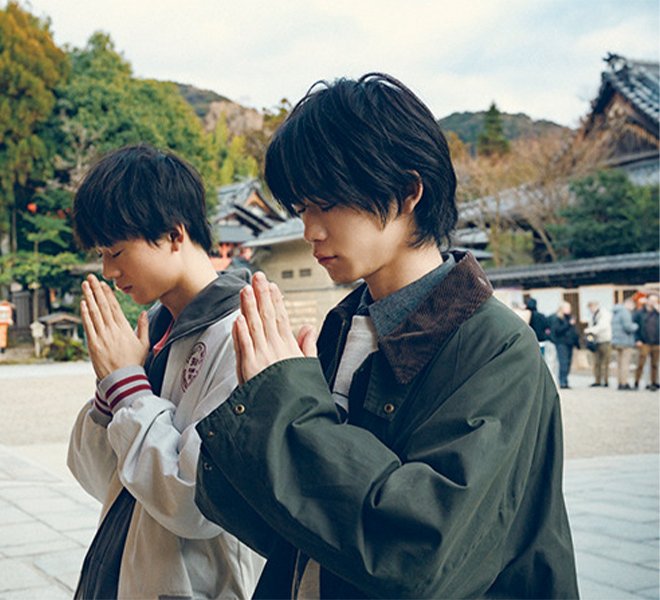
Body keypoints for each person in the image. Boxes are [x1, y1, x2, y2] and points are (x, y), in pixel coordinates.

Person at [194, 73, 578, 599]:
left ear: (406, 192)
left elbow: (420, 549)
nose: (310, 230)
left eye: (325, 203)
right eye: (302, 208)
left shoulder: (498, 349)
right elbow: (287, 527)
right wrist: (253, 412)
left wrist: (284, 409)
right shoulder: (341, 327)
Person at [67, 143, 263, 599]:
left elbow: (195, 500)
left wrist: (130, 392)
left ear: (175, 235)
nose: (108, 270)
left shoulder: (240, 334)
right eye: (101, 254)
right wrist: (111, 391)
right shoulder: (153, 333)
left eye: (116, 251)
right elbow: (102, 478)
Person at [611, 297, 639, 390]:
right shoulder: (625, 312)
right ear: (629, 304)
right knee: (625, 363)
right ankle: (624, 382)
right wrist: (636, 326)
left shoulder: (616, 312)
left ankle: (619, 382)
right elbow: (628, 326)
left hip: (617, 341)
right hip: (625, 341)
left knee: (619, 363)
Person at [634, 292, 660, 391]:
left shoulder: (657, 312)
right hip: (644, 341)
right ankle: (636, 382)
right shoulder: (640, 313)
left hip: (657, 342)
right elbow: (635, 327)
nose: (653, 302)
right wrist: (637, 339)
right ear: (647, 300)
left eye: (655, 300)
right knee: (641, 363)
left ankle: (653, 383)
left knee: (654, 364)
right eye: (652, 300)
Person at [551, 301, 579, 390]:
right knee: (563, 362)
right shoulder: (558, 319)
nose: (569, 310)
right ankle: (562, 381)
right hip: (561, 343)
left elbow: (573, 332)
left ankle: (566, 381)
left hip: (570, 343)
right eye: (567, 308)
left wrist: (577, 343)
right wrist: (568, 324)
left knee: (568, 363)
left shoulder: (571, 318)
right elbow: (557, 331)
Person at [584, 300, 612, 387]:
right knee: (596, 362)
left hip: (604, 340)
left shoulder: (604, 314)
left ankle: (606, 380)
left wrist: (590, 330)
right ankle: (597, 380)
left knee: (605, 362)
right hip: (595, 341)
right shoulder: (592, 316)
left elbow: (602, 326)